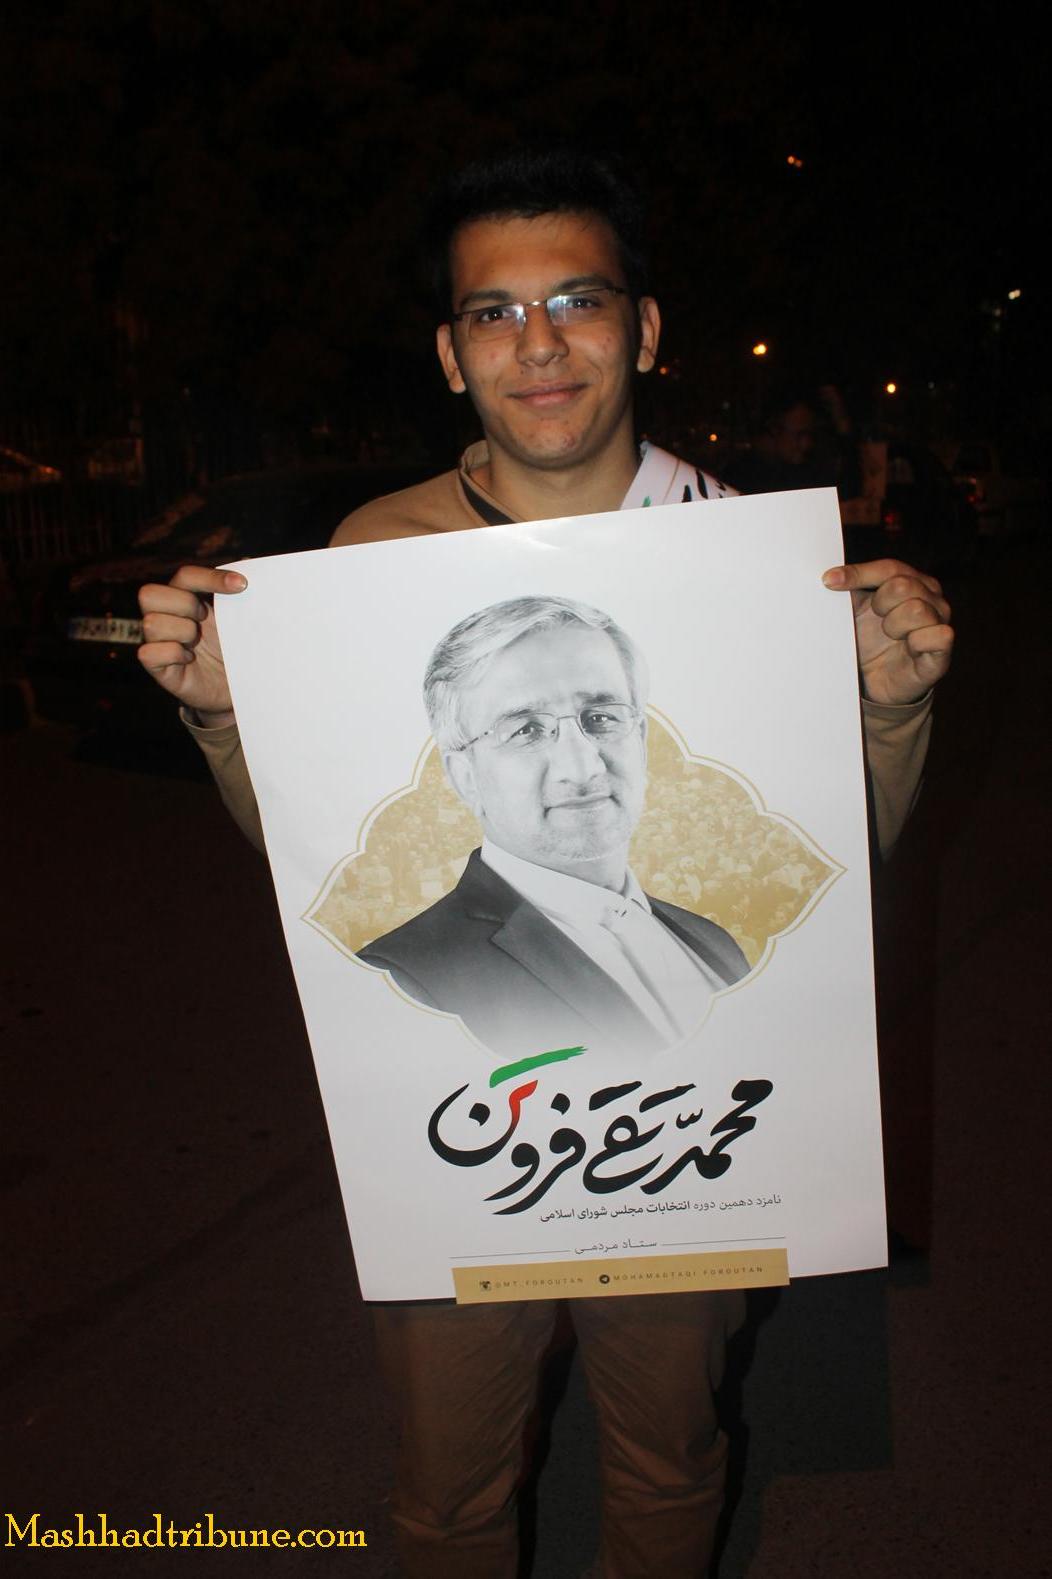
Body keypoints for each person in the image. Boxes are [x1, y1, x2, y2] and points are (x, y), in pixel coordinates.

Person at [137, 148, 953, 1578]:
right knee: (449, 1486)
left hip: (688, 1144)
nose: (539, 343)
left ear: (642, 328)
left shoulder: (752, 558)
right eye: (494, 312)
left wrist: (889, 711)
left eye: (576, 300)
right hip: (460, 1136)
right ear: (450, 354)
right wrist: (223, 721)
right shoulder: (370, 555)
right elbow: (332, 877)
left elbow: (830, 870)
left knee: (671, 1454)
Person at [358, 593, 749, 1058]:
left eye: (601, 718)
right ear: (464, 777)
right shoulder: (405, 981)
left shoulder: (712, 942)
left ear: (641, 741)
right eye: (526, 730)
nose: (582, 767)